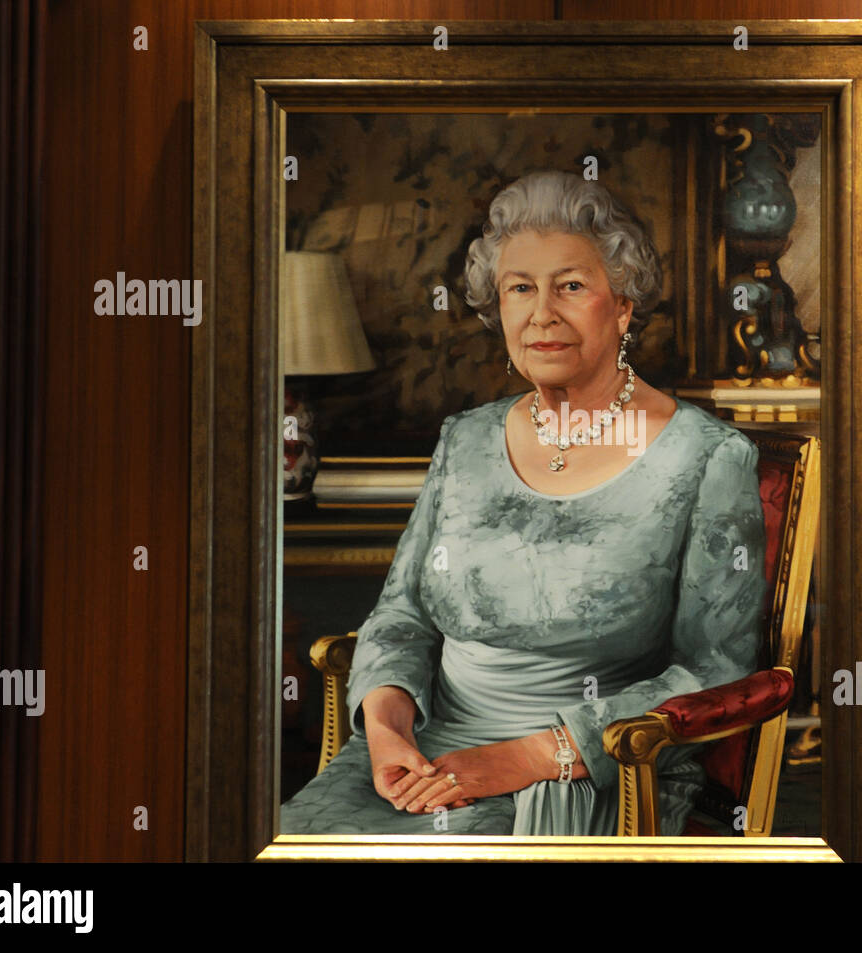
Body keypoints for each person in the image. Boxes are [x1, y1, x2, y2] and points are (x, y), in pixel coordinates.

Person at [280, 170, 766, 836]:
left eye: (570, 285)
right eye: (519, 288)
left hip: (597, 770)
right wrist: (389, 731)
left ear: (622, 303)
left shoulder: (707, 457)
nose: (542, 313)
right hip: (427, 754)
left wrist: (535, 754)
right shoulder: (467, 438)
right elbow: (402, 614)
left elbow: (717, 667)